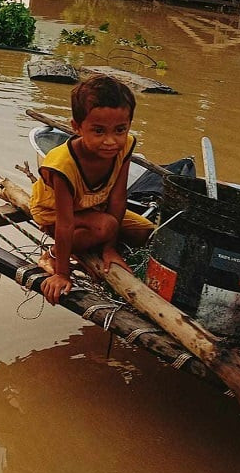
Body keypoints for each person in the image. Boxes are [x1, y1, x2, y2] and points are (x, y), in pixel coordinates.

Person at [31, 74, 154, 304]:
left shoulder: (125, 146)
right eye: (98, 131)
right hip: (54, 213)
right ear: (77, 127)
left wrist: (110, 249)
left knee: (145, 231)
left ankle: (97, 242)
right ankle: (53, 254)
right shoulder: (62, 165)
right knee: (106, 225)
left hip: (92, 206)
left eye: (120, 130)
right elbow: (65, 222)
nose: (111, 141)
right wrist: (61, 273)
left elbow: (118, 197)